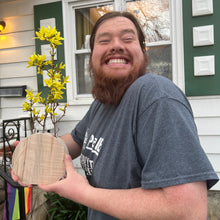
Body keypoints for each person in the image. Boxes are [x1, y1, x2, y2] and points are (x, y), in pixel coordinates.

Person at [13, 12, 218, 219]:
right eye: (104, 41)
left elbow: (187, 210)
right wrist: (35, 153)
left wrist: (83, 192)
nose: (116, 45)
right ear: (92, 56)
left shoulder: (155, 96)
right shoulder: (103, 103)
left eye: (128, 39)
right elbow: (76, 140)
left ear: (142, 51)